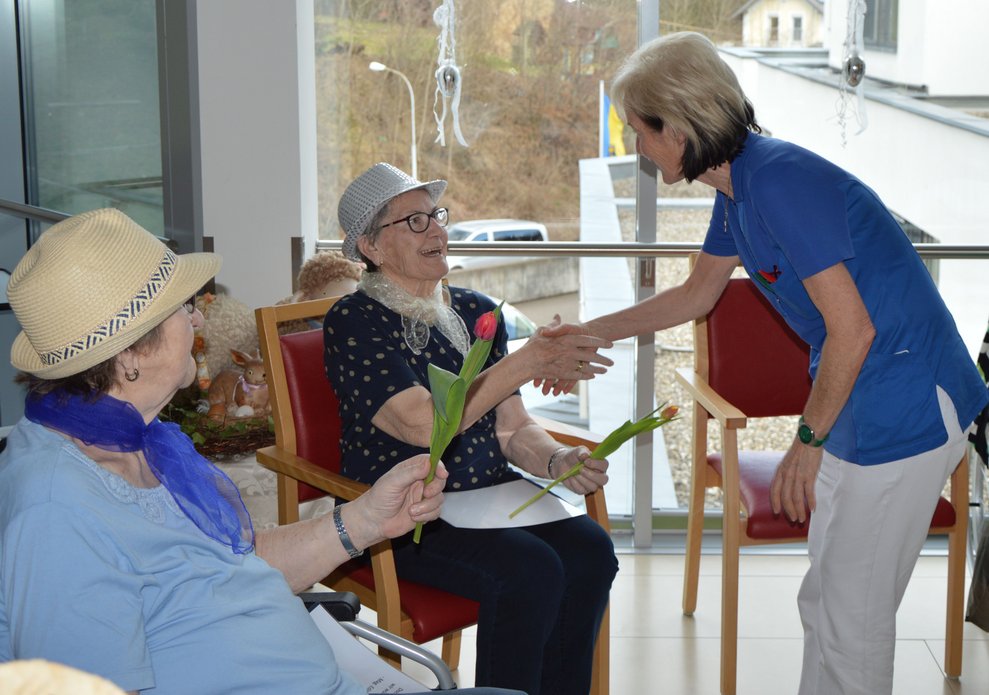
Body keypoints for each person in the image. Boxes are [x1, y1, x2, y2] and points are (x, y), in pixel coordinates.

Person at [544, 32, 989, 695]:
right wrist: (584, 334)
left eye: (640, 130)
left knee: (853, 619)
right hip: (858, 400)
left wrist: (804, 442)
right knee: (826, 600)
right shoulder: (738, 189)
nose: (637, 146)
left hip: (908, 404)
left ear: (679, 126)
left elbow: (853, 329)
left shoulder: (779, 180)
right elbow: (695, 295)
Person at [0, 208, 524, 695]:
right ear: (131, 353)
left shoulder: (144, 443)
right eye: (185, 308)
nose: (198, 321)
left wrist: (366, 520)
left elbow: (237, 564)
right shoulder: (57, 512)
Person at [325, 162, 619, 695]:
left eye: (435, 216)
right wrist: (527, 361)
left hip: (489, 499)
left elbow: (513, 429)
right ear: (371, 247)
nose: (437, 231)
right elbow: (422, 425)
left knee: (591, 551)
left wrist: (556, 460)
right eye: (414, 221)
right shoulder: (354, 320)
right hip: (404, 514)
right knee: (529, 570)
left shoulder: (476, 310)